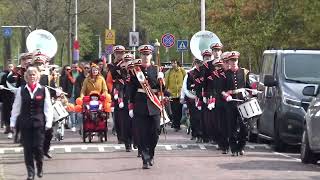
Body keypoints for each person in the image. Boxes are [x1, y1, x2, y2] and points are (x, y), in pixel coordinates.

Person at [10, 66, 53, 180]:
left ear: (37, 76)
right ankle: (30, 172)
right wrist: (12, 122)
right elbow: (16, 107)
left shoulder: (44, 90)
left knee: (38, 148)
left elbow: (48, 108)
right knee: (27, 148)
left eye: (34, 74)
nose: (32, 76)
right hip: (25, 123)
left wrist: (49, 122)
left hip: (39, 123)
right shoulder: (21, 90)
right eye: (30, 75)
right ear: (26, 77)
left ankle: (39, 167)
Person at [127, 44, 164, 169]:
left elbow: (162, 89)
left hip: (154, 105)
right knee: (141, 133)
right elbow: (131, 89)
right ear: (140, 55)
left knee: (155, 131)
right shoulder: (135, 71)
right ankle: (145, 157)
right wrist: (131, 105)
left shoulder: (157, 69)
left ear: (151, 55)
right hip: (140, 104)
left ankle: (151, 153)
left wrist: (161, 81)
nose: (145, 56)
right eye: (143, 54)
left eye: (147, 54)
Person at [222, 51, 250, 156]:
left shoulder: (244, 72)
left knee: (244, 127)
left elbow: (248, 87)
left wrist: (252, 93)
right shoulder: (225, 74)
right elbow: (221, 90)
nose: (234, 62)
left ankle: (241, 146)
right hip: (231, 103)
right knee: (231, 126)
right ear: (228, 61)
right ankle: (234, 148)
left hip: (242, 102)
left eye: (235, 60)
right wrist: (226, 95)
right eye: (232, 60)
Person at [165, 59, 186, 131]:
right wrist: (166, 92)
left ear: (177, 64)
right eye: (172, 63)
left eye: (174, 63)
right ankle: (175, 125)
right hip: (172, 94)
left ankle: (177, 124)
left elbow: (185, 80)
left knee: (179, 110)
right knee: (174, 110)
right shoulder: (169, 72)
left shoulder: (182, 71)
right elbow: (166, 83)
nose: (173, 65)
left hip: (180, 94)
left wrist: (184, 91)